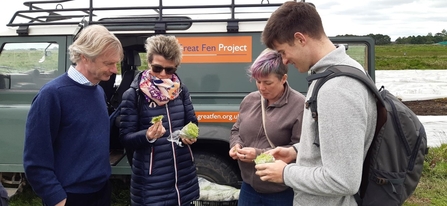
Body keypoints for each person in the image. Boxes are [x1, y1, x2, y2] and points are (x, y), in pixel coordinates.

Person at [254, 1, 378, 206]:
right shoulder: (335, 73)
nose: (284, 62)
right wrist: (296, 151)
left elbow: (343, 180)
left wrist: (285, 173)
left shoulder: (337, 88)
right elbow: (332, 146)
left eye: (283, 52)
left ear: (300, 39)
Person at [23, 24, 123, 206]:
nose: (115, 69)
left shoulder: (98, 91)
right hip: (71, 196)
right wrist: (56, 198)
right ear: (85, 57)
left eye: (115, 63)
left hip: (101, 192)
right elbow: (35, 159)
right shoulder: (52, 95)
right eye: (108, 63)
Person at [119, 34, 199, 206]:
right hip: (151, 182)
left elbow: (192, 122)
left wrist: (189, 135)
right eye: (157, 68)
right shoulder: (133, 95)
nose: (163, 75)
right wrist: (147, 135)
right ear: (148, 63)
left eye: (169, 70)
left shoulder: (181, 90)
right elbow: (125, 138)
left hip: (183, 176)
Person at [229, 48, 305, 206]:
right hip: (248, 188)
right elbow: (236, 129)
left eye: (268, 83)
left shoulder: (299, 105)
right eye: (258, 81)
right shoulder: (250, 100)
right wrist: (236, 145)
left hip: (281, 192)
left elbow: (302, 149)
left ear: (283, 78)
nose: (261, 88)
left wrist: (257, 154)